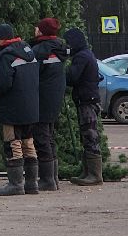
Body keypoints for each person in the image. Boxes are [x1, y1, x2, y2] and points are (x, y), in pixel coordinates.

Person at [0, 23, 40, 196]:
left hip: (12, 107)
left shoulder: (6, 55)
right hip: (31, 106)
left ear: (2, 39)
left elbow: (3, 82)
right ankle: (32, 184)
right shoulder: (29, 52)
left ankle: (16, 184)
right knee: (28, 142)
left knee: (12, 143)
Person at [31, 16, 68, 191]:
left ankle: (47, 180)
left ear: (42, 30)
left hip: (42, 99)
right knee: (49, 136)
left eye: (37, 27)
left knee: (41, 137)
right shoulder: (59, 49)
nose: (35, 29)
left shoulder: (39, 50)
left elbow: (32, 75)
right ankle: (53, 178)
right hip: (55, 98)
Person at [64, 26, 103, 187]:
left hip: (87, 101)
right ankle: (88, 172)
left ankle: (94, 175)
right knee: (87, 135)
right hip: (88, 99)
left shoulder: (81, 57)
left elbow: (72, 77)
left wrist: (63, 70)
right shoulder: (86, 54)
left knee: (89, 135)